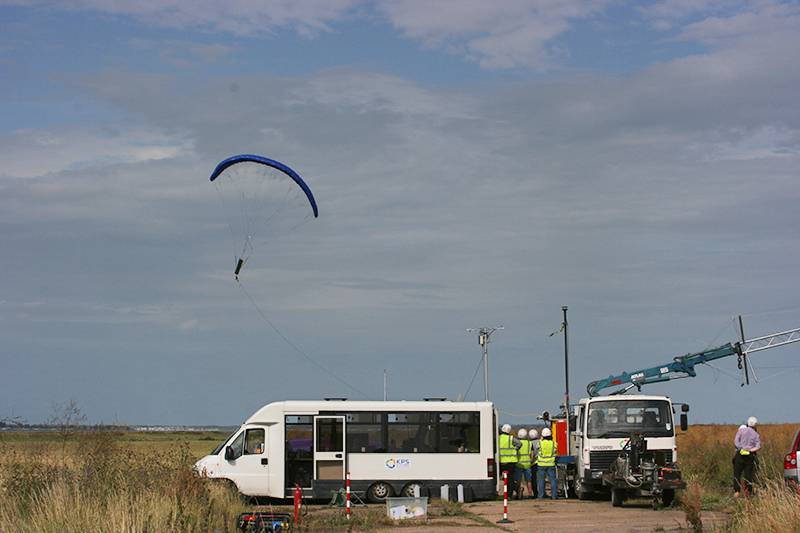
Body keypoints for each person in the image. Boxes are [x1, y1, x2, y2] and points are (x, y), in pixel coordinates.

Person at [733, 416, 761, 497]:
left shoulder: (741, 430)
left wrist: (741, 448)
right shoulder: (756, 434)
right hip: (750, 455)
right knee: (748, 475)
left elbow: (736, 441)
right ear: (755, 424)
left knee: (737, 473)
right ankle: (748, 492)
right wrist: (751, 450)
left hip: (740, 454)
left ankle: (737, 491)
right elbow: (758, 446)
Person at [498, 424, 521, 495]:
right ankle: (509, 494)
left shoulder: (498, 438)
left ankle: (500, 492)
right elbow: (519, 444)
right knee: (510, 479)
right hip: (511, 462)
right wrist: (514, 449)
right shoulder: (511, 438)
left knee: (501, 478)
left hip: (501, 461)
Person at [537, 427, 558, 499]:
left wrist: (541, 439)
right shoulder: (553, 443)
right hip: (551, 464)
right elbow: (555, 451)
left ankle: (541, 496)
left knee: (541, 481)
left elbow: (537, 449)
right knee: (553, 480)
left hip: (541, 464)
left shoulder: (540, 443)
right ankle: (554, 496)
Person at [514, 429, 534, 499]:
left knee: (518, 480)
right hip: (527, 464)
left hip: (518, 464)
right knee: (528, 480)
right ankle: (530, 494)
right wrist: (531, 461)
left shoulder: (516, 443)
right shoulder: (529, 443)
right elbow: (532, 454)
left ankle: (518, 492)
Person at [528, 428, 540, 498]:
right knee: (541, 479)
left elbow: (531, 454)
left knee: (534, 479)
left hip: (533, 463)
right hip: (541, 462)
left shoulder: (529, 443)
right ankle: (541, 493)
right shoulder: (540, 442)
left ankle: (535, 493)